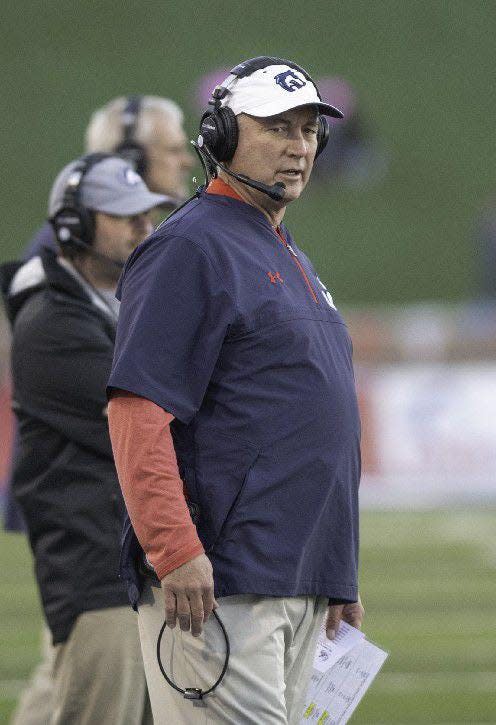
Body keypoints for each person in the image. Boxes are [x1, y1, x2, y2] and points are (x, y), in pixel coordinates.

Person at [107, 56, 364, 724]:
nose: (299, 146)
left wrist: (335, 572)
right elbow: (138, 412)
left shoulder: (283, 248)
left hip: (297, 576)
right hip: (223, 583)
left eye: (309, 130)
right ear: (221, 135)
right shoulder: (188, 248)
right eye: (277, 127)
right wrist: (175, 548)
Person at [1, 154, 171, 724]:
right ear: (73, 226)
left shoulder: (109, 306)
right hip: (97, 575)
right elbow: (151, 420)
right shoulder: (51, 321)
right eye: (124, 216)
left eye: (147, 214)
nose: (143, 227)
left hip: (130, 570)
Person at [23, 94, 194, 259]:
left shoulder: (139, 234)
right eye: (174, 150)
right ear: (131, 160)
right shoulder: (72, 248)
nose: (188, 162)